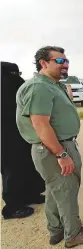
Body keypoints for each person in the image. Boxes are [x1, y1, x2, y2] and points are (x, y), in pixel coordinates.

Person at [16, 46, 83, 247]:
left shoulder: (52, 85)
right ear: (44, 63)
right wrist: (62, 154)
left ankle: (56, 230)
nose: (66, 65)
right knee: (66, 190)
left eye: (67, 61)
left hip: (57, 147)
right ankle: (73, 233)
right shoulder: (39, 87)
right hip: (54, 149)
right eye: (60, 61)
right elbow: (40, 124)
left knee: (56, 189)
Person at [1, 61, 45, 220]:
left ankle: (31, 195)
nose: (16, 77)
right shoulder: (5, 87)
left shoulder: (17, 86)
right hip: (6, 139)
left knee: (29, 165)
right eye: (12, 74)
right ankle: (12, 207)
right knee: (12, 171)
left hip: (22, 136)